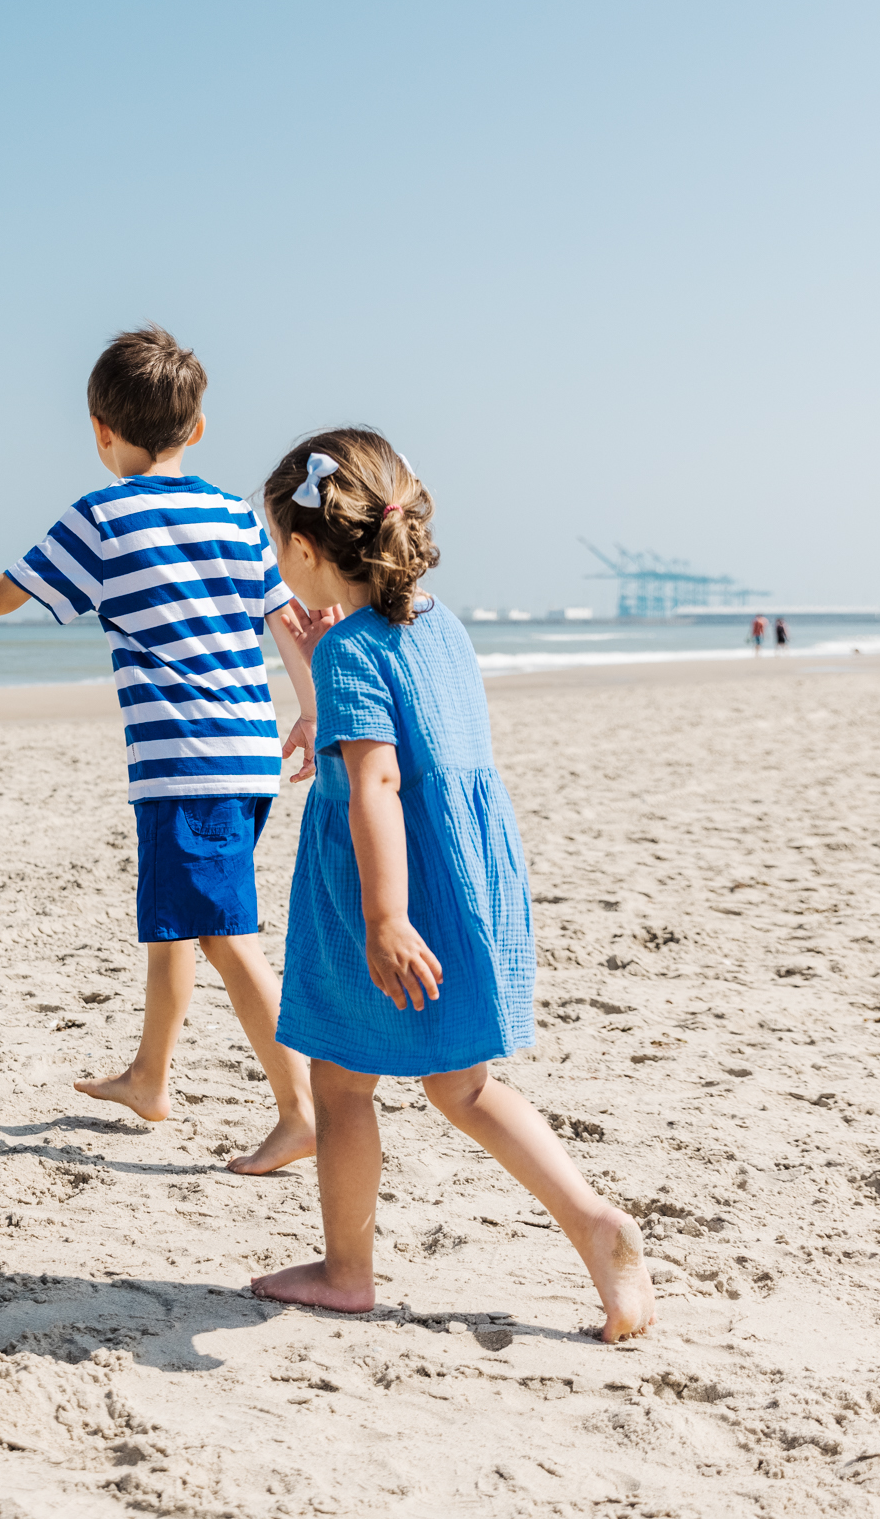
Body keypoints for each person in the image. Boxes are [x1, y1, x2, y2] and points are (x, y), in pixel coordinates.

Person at [246, 428, 654, 1341]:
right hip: (466, 880)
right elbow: (413, 723)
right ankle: (594, 1223)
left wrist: (385, 914)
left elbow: (377, 779)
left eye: (281, 550)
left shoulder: (351, 652)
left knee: (343, 1081)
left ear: (308, 552)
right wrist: (327, 651)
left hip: (385, 888)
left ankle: (348, 1270)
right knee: (462, 1086)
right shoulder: (438, 621)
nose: (280, 566)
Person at [0, 326, 321, 1175]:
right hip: (243, 749)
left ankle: (301, 1107)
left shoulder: (103, 516)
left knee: (222, 929)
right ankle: (149, 1077)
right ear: (195, 429)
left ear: (99, 430)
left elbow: (7, 591)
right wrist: (310, 708)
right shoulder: (236, 514)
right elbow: (284, 620)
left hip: (185, 760)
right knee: (178, 920)